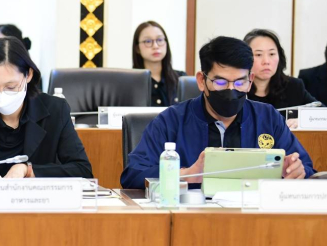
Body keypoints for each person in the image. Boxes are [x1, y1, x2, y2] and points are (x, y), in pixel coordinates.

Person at [121, 36, 314, 189]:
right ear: (201, 81)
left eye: (240, 82)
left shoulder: (267, 117)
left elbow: (307, 169)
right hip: (192, 217)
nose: (231, 90)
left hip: (254, 216)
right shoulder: (172, 120)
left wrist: (297, 171)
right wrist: (187, 174)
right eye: (220, 82)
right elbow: (133, 174)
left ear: (250, 80)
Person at [0, 37, 92, 180]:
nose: (1, 95)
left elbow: (82, 170)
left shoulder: (55, 110)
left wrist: (28, 170)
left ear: (28, 75)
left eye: (11, 87)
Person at [243, 29, 318, 129]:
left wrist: (303, 121)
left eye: (272, 54)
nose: (266, 61)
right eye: (258, 55)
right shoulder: (237, 88)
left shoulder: (293, 86)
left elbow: (322, 114)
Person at [132, 21, 185, 107]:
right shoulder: (130, 82)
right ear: (137, 48)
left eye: (160, 40)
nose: (155, 46)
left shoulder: (181, 79)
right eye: (148, 41)